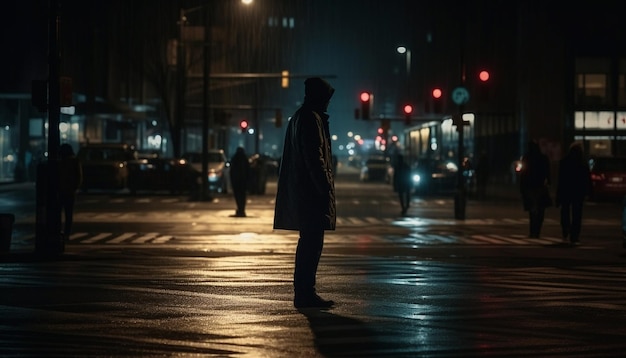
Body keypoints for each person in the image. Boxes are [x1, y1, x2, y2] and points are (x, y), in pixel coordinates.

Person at [273, 77, 336, 309]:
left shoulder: (303, 117)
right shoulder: (310, 119)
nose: (328, 103)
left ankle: (305, 292)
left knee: (309, 243)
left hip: (305, 191)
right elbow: (314, 158)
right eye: (326, 98)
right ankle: (305, 293)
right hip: (310, 193)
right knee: (311, 244)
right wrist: (324, 187)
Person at [555, 143, 591, 246]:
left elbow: (561, 180)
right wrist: (588, 192)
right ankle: (574, 235)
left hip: (566, 190)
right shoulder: (583, 163)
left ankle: (565, 228)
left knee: (565, 211)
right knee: (577, 214)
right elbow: (587, 180)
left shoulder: (564, 162)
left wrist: (558, 195)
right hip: (578, 192)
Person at [519, 140, 552, 238]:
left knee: (532, 210)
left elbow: (523, 174)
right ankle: (537, 230)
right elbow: (547, 172)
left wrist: (522, 188)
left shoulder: (526, 158)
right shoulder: (543, 158)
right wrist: (548, 182)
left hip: (530, 186)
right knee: (540, 210)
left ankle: (533, 231)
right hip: (540, 186)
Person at [58, 143, 83, 240]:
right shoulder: (74, 161)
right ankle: (67, 233)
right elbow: (79, 176)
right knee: (68, 214)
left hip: (60, 190)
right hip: (69, 191)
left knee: (58, 212)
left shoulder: (60, 161)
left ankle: (58, 230)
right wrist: (75, 187)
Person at [229, 147, 250, 217]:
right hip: (243, 182)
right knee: (242, 196)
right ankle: (242, 209)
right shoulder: (245, 159)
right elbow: (248, 171)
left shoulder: (235, 159)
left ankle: (240, 209)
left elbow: (232, 171)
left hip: (236, 181)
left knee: (238, 196)